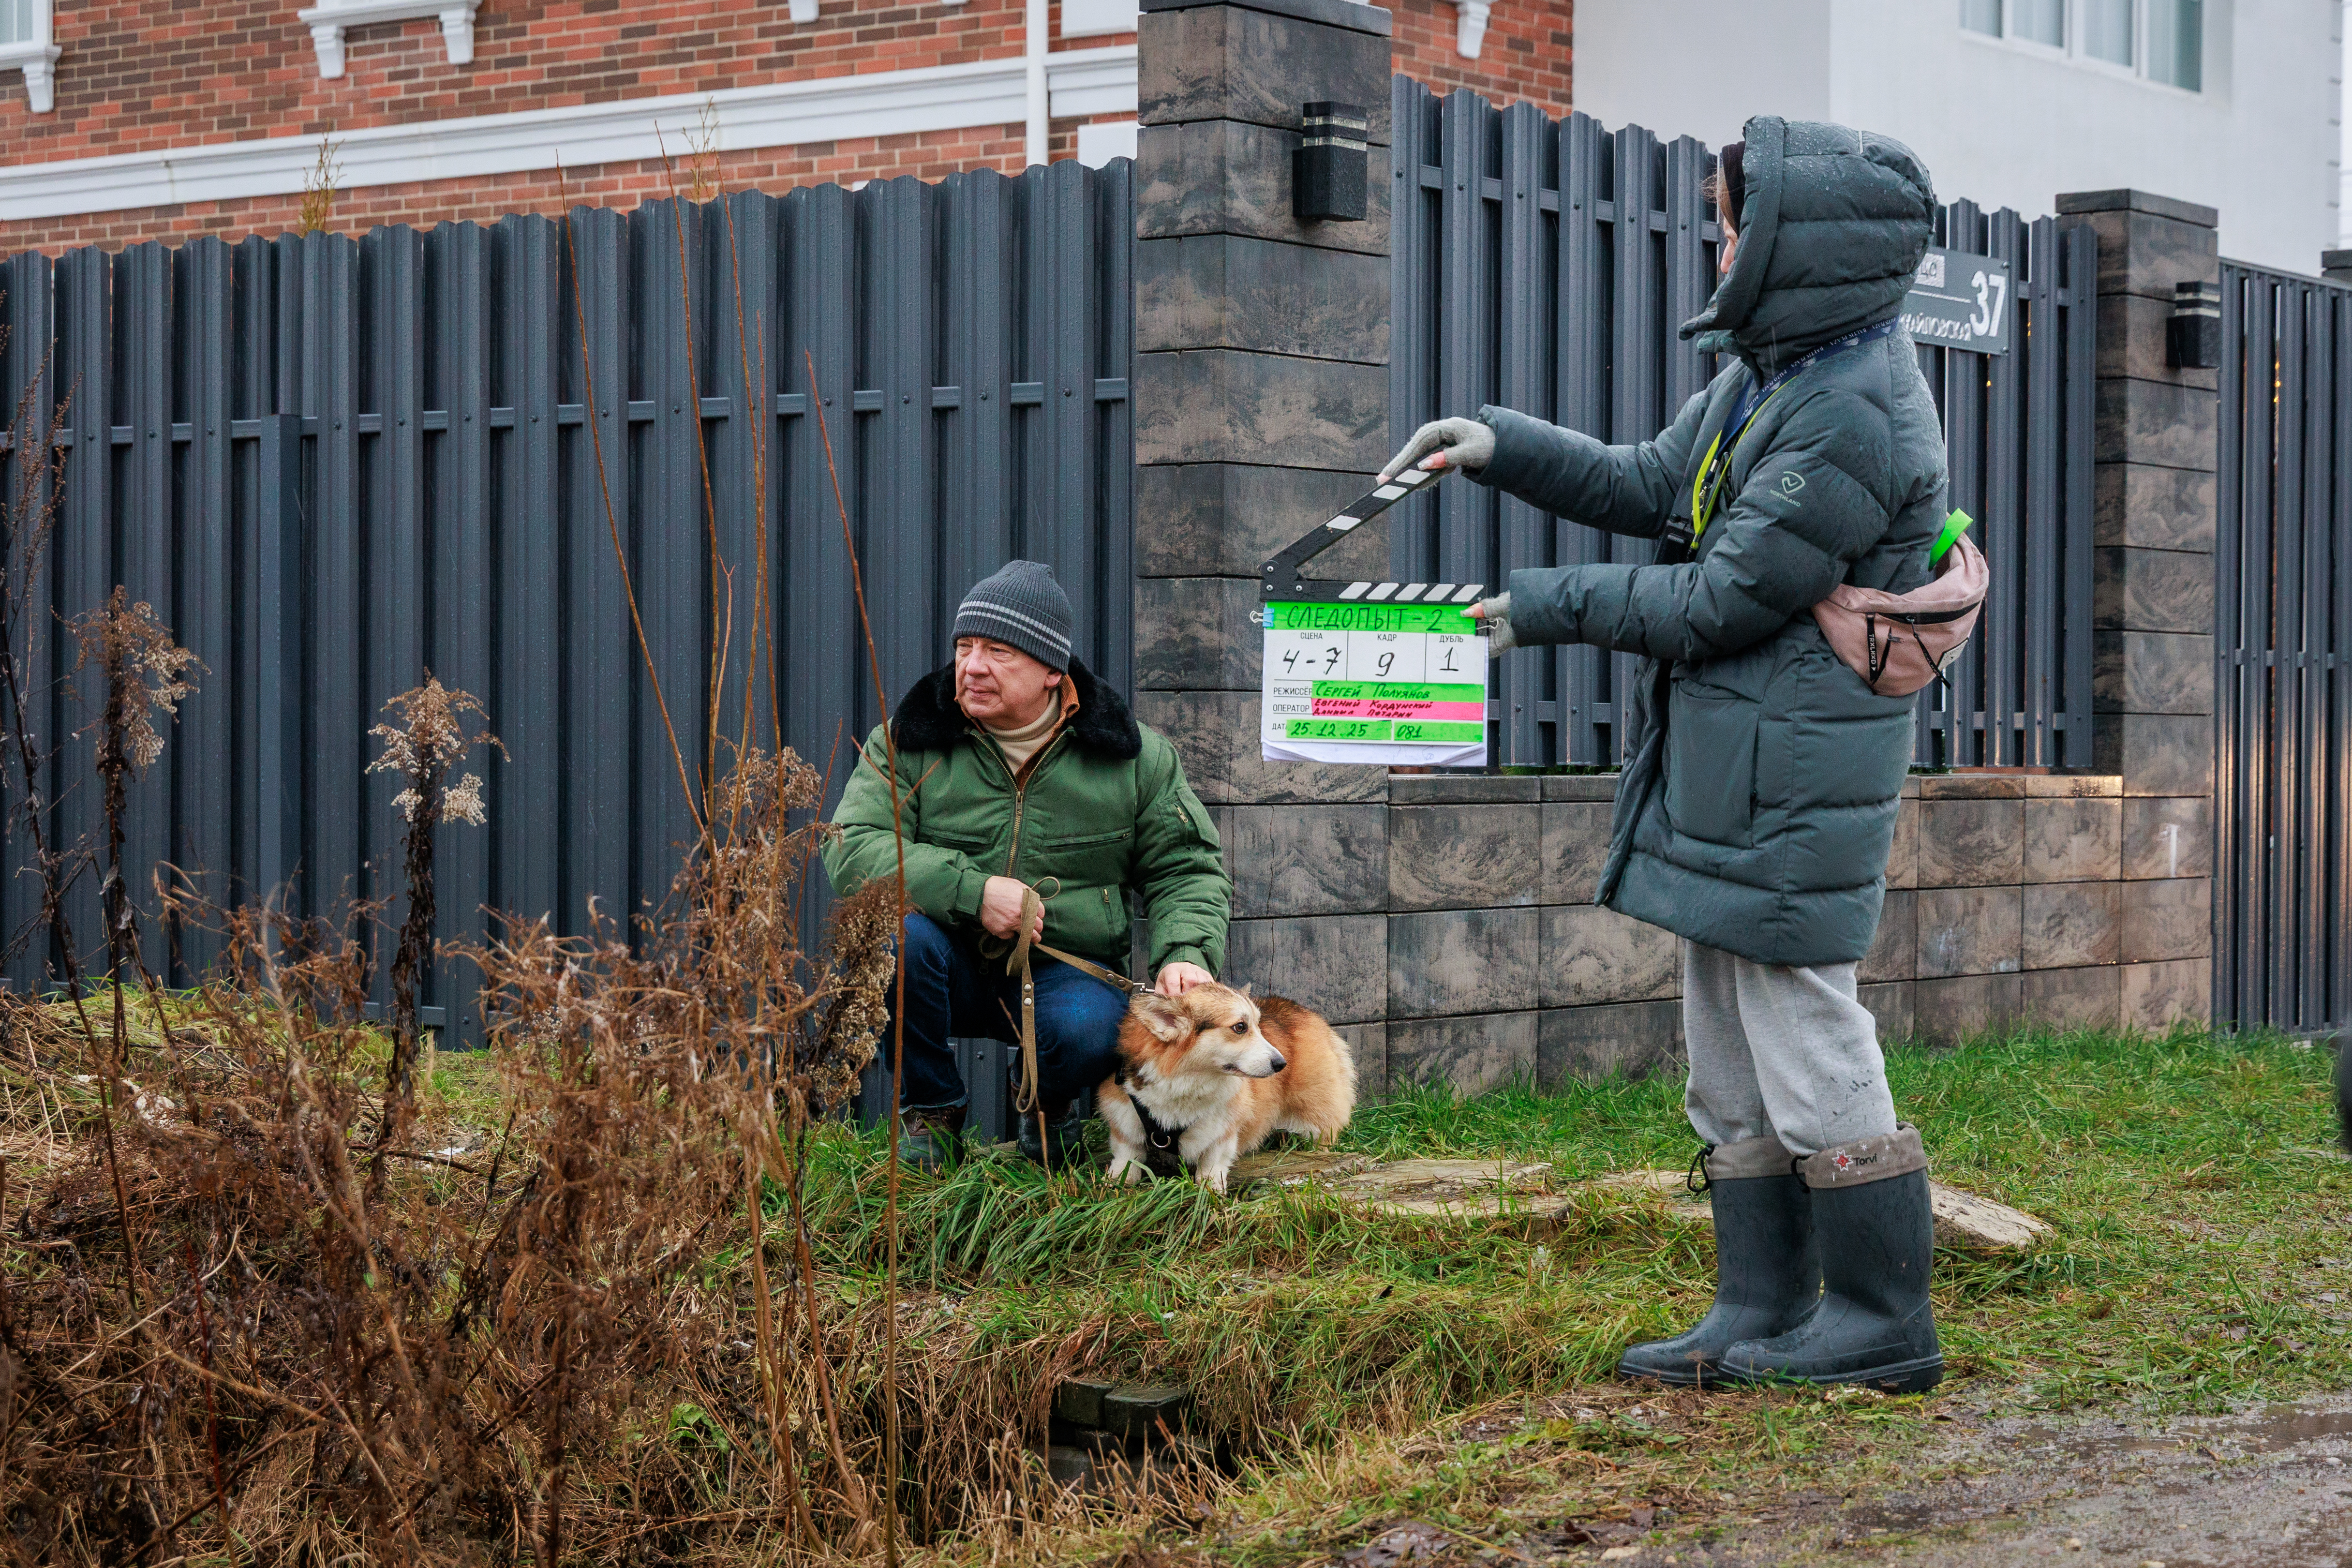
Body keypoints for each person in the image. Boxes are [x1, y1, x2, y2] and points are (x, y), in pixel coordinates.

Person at [1381, 118, 1946, 1392]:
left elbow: (1717, 603)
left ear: (1796, 245)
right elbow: (1654, 483)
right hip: (1729, 765)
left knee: (1804, 1037)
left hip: (1796, 779)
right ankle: (1754, 1305)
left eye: (1732, 218)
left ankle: (1878, 1320)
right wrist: (1496, 444)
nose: (1717, 238)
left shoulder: (1852, 414)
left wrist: (1532, 610)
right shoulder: (1779, 369)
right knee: (1724, 1054)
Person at [824, 560, 1231, 1169]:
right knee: (892, 941)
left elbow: (1187, 867)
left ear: (1050, 671)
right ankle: (929, 1114)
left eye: (997, 650)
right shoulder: (909, 739)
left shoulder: (1132, 756)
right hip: (946, 961)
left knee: (1091, 1029)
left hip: (1067, 968)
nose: (972, 666)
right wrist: (973, 891)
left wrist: (1185, 953)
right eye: (964, 646)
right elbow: (852, 847)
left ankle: (1048, 1107)